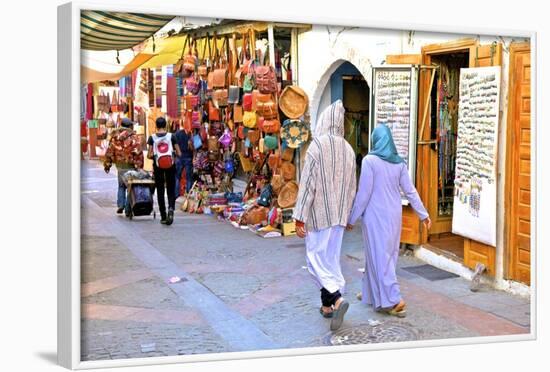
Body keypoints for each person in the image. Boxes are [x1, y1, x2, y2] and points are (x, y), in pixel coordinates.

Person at [347, 124, 431, 318]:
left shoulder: (370, 161)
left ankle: (394, 299)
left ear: (376, 140)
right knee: (385, 255)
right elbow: (410, 191)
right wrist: (423, 214)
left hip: (375, 217)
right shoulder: (399, 163)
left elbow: (364, 194)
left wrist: (352, 218)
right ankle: (369, 293)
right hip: (394, 216)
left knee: (379, 257)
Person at [293, 100, 357, 331]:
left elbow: (308, 184)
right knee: (329, 259)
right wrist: (349, 216)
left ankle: (337, 298)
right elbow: (352, 187)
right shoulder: (349, 149)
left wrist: (300, 216)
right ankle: (328, 306)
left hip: (319, 215)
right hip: (339, 216)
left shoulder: (317, 146)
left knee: (315, 260)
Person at [103, 118, 144, 215]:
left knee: (121, 186)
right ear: (130, 126)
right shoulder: (134, 137)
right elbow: (138, 152)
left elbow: (109, 151)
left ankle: (121, 205)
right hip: (131, 165)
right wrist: (139, 166)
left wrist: (107, 164)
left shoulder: (114, 137)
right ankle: (128, 209)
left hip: (119, 166)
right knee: (130, 186)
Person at [147, 117, 181, 225]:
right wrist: (173, 154)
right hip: (170, 166)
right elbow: (179, 153)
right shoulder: (172, 136)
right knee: (170, 189)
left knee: (160, 190)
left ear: (156, 126)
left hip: (158, 167)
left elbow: (149, 154)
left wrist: (154, 155)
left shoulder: (152, 138)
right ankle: (171, 208)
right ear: (165, 125)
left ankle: (163, 216)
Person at [174, 126, 194, 197]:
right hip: (188, 157)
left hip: (179, 157)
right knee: (189, 177)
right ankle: (188, 195)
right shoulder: (191, 134)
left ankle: (176, 195)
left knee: (177, 177)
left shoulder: (177, 134)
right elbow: (192, 148)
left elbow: (174, 145)